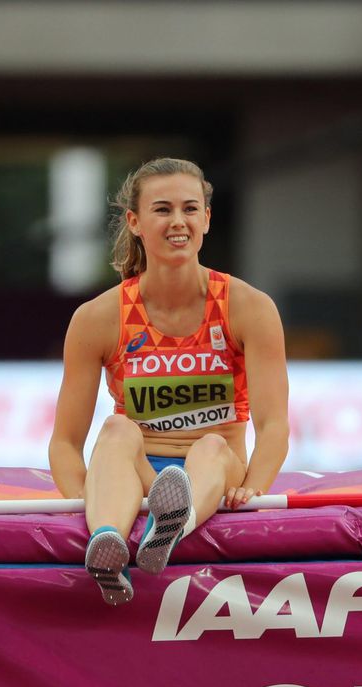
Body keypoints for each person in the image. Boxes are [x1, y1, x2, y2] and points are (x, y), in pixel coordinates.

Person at [49, 157, 289, 606]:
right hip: (137, 472)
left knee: (211, 446)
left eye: (189, 209)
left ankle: (170, 524)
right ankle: (107, 544)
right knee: (118, 429)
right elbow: (64, 443)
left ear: (207, 219)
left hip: (216, 467)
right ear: (135, 222)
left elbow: (274, 426)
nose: (178, 222)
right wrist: (87, 499)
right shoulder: (97, 318)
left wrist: (252, 489)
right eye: (162, 210)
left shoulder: (248, 308)